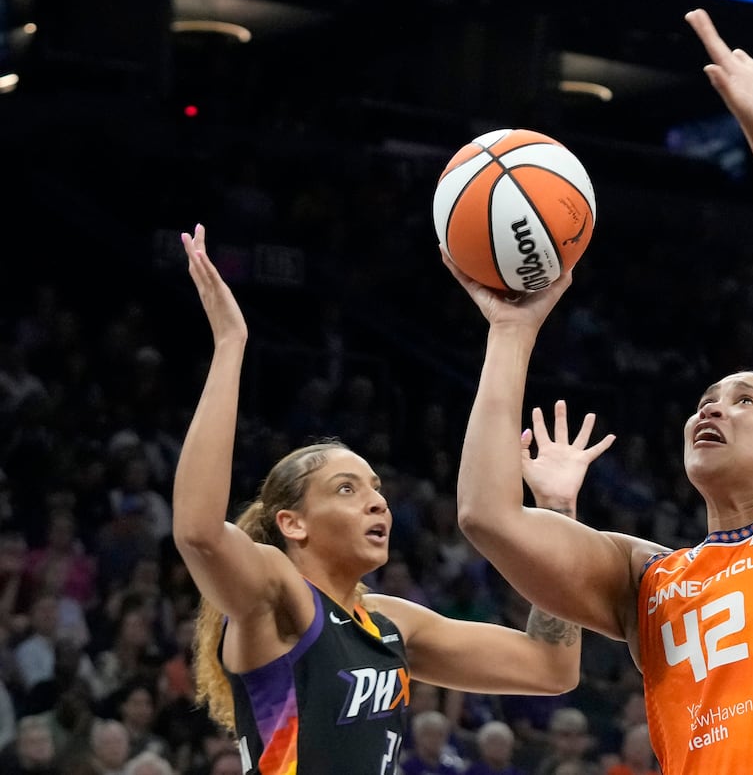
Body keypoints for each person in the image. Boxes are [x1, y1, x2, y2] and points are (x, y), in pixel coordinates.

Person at [445, 7, 753, 775]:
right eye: (707, 397)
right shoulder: (649, 580)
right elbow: (487, 515)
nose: (712, 406)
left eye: (744, 399)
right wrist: (512, 333)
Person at [172, 224, 583, 774]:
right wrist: (230, 345)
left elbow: (552, 668)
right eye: (347, 489)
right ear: (293, 523)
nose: (377, 503)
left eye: (377, 489)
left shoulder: (390, 622)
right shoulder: (279, 598)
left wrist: (557, 517)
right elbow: (199, 532)